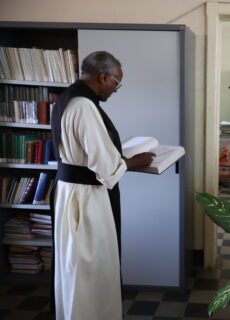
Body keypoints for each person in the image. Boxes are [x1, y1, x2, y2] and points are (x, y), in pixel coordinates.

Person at [50, 51, 154, 320]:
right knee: (91, 269)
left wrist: (121, 158)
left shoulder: (66, 97)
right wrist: (133, 162)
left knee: (74, 268)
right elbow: (105, 166)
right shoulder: (84, 106)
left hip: (70, 192)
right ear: (103, 77)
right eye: (117, 83)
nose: (116, 89)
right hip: (86, 199)